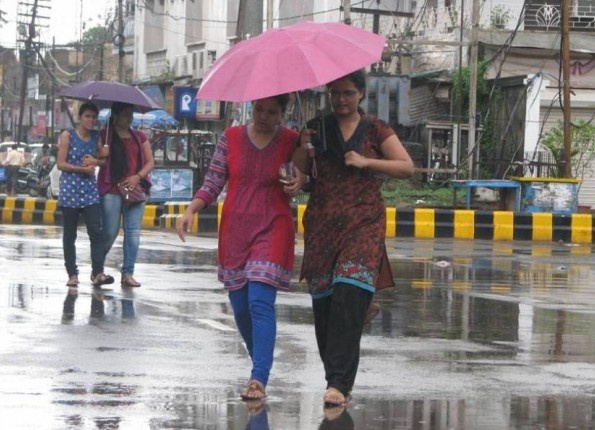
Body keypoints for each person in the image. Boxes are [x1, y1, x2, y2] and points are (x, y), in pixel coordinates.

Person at [293, 69, 414, 407]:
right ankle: (337, 370)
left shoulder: (376, 129)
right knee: (326, 306)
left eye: (347, 93)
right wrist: (302, 149)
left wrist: (365, 161)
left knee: (348, 291)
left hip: (364, 222)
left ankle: (338, 384)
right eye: (334, 93)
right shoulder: (316, 128)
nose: (340, 100)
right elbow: (300, 174)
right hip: (322, 223)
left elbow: (406, 167)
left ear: (361, 93)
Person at [176, 94, 301, 401]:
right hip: (235, 230)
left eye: (272, 112)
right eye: (259, 109)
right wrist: (192, 208)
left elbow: (303, 178)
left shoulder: (292, 141)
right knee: (242, 308)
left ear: (282, 115)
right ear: (251, 108)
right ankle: (260, 359)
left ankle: (259, 378)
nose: (264, 116)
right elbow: (214, 180)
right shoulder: (230, 138)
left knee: (259, 301)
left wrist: (299, 180)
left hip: (274, 226)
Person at [92, 101, 155, 288]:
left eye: (131, 114)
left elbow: (150, 162)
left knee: (133, 233)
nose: (130, 118)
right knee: (110, 232)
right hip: (111, 189)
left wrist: (138, 177)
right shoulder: (104, 136)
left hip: (134, 190)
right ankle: (97, 270)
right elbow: (96, 161)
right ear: (116, 115)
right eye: (126, 114)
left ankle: (127, 273)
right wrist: (101, 154)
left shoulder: (140, 137)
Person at [56, 101, 114, 288]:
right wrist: (81, 169)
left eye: (94, 117)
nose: (91, 120)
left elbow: (103, 163)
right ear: (79, 117)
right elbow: (61, 164)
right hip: (70, 192)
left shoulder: (97, 137)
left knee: (96, 233)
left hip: (90, 193)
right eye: (87, 116)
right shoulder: (68, 136)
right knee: (69, 235)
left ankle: (97, 272)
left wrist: (97, 160)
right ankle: (72, 274)